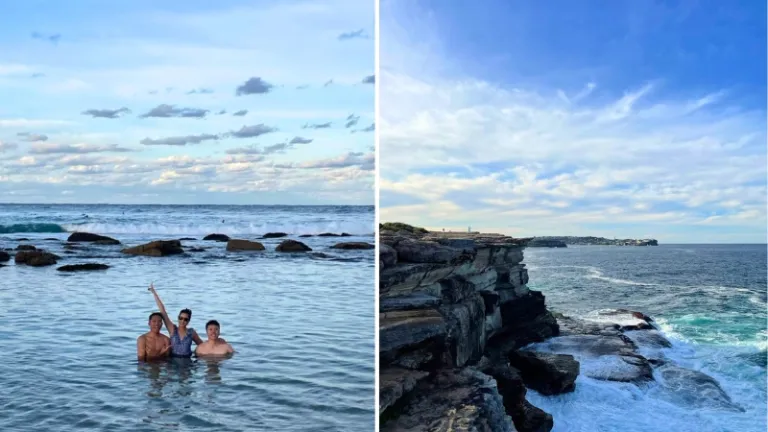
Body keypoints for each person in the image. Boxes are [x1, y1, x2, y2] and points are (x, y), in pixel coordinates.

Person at [148, 283, 203, 357]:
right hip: (173, 362)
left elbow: (202, 345)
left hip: (187, 362)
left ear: (188, 321)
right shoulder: (172, 329)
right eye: (181, 318)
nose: (182, 321)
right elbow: (163, 311)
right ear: (178, 318)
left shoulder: (191, 332)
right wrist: (154, 292)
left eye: (185, 319)